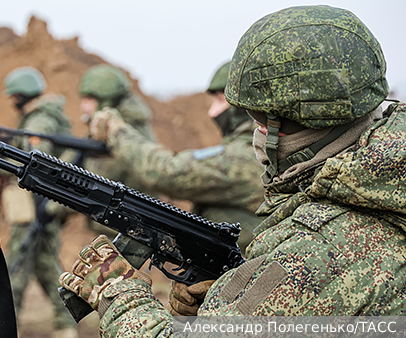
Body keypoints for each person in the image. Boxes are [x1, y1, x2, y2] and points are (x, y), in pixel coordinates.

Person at [58, 5, 406, 337]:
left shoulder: (318, 251)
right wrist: (239, 289)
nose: (255, 134)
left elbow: (165, 172)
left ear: (303, 123)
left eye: (258, 120)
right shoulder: (377, 185)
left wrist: (121, 296)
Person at [88, 61, 264, 252]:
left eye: (221, 101)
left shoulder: (246, 157)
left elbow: (165, 172)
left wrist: (116, 130)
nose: (212, 111)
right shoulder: (256, 152)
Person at [0, 66, 77, 338]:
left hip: (36, 206)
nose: (12, 100)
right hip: (41, 206)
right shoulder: (41, 118)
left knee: (14, 265)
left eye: (14, 95)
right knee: (48, 268)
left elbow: (36, 163)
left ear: (21, 95)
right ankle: (66, 324)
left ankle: (2, 328)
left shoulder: (39, 122)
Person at [48, 64, 159, 237]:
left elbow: (92, 184)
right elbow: (77, 158)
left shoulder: (121, 135)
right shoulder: (112, 129)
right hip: (118, 229)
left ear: (106, 102)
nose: (83, 107)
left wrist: (50, 208)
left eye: (89, 100)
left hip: (126, 234)